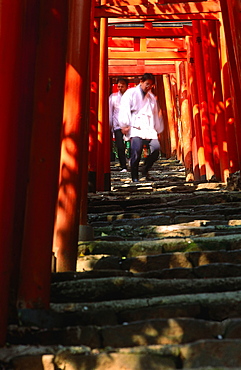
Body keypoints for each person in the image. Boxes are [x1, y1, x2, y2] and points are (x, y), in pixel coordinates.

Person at [118, 73, 164, 182]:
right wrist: (124, 124)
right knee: (136, 151)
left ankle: (145, 169)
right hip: (135, 126)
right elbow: (124, 109)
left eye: (151, 85)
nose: (148, 87)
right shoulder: (131, 93)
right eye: (147, 84)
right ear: (141, 82)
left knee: (156, 149)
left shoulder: (151, 97)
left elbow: (155, 113)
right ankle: (134, 176)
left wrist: (157, 128)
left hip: (148, 126)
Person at [109, 78, 129, 172]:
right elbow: (110, 112)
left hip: (131, 126)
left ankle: (132, 162)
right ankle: (123, 166)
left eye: (122, 86)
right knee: (120, 146)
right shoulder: (113, 97)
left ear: (127, 86)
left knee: (134, 146)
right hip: (118, 125)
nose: (120, 88)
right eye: (119, 86)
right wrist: (110, 125)